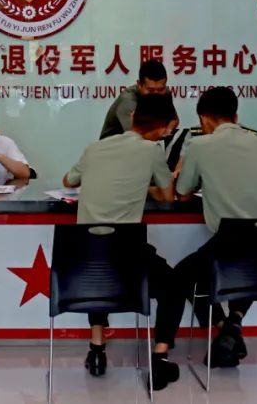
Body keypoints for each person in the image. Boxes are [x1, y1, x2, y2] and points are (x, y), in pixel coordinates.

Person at [65, 93, 183, 391]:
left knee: (98, 258)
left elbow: (69, 181)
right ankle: (160, 358)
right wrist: (145, 188)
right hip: (128, 255)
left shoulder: (95, 147)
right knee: (173, 285)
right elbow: (168, 196)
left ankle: (96, 349)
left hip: (85, 262)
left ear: (132, 117)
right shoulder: (152, 151)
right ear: (162, 130)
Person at [174, 86, 257, 368]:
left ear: (204, 118)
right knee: (246, 263)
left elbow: (183, 193)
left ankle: (223, 327)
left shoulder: (199, 146)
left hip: (227, 248)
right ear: (236, 117)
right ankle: (233, 325)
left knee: (182, 277)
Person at [99, 59, 169, 139]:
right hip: (113, 144)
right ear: (139, 85)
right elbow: (136, 137)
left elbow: (174, 120)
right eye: (150, 90)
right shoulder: (128, 101)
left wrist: (168, 130)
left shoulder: (165, 93)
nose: (156, 95)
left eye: (160, 89)